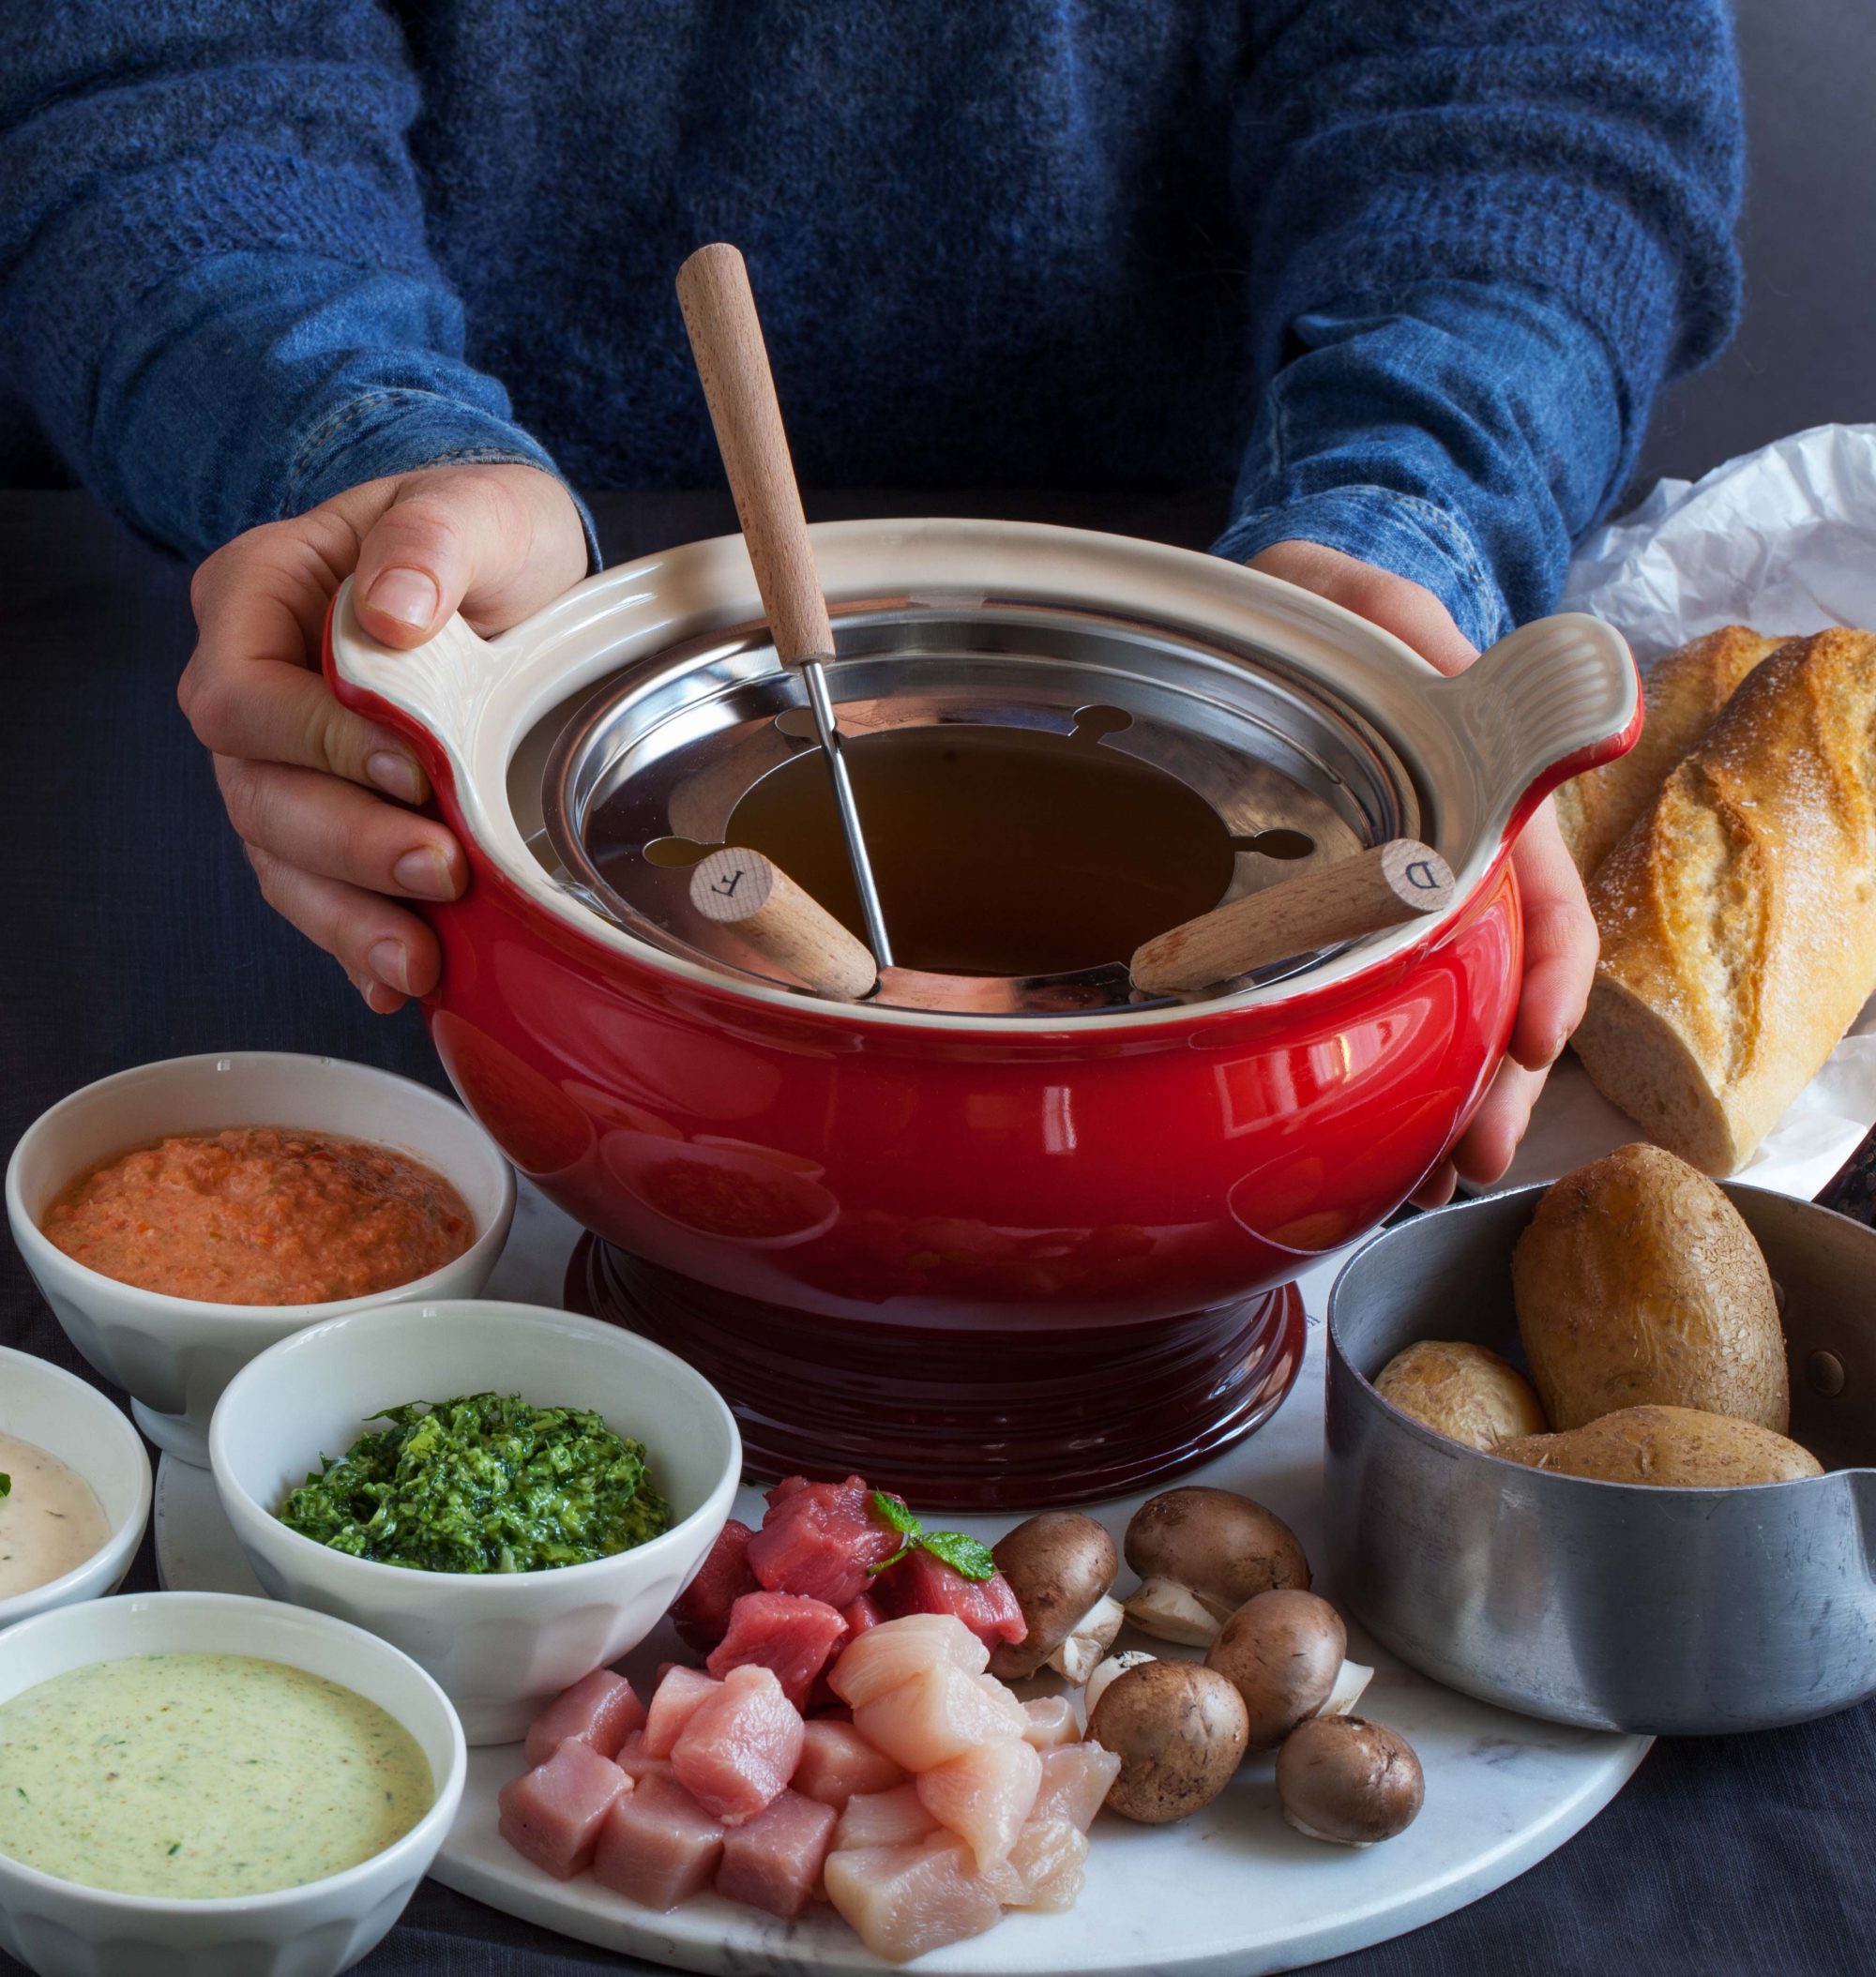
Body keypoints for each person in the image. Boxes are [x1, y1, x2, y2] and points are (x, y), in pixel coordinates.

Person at [0, 3, 1742, 1200]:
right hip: (494, 627)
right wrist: (349, 448)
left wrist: (1403, 533)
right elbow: (147, 69)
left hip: (1220, 567)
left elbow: (1534, 94)